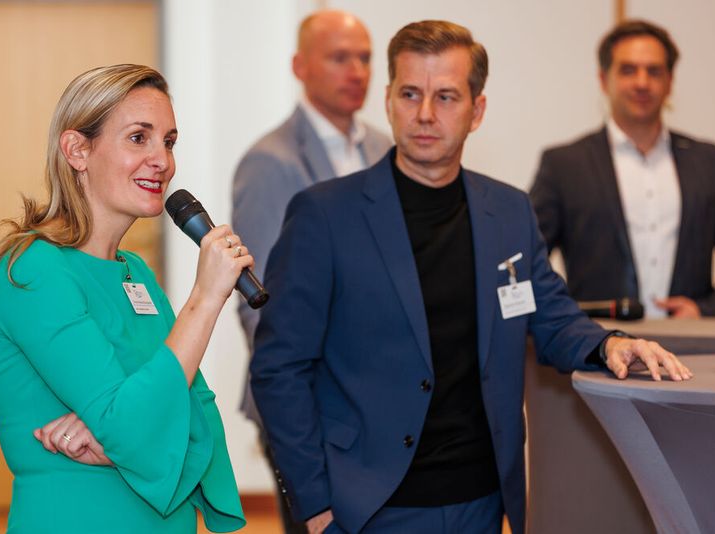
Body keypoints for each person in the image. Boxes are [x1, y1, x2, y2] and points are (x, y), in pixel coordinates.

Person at [250, 20, 692, 534]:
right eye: (410, 93)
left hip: (481, 499)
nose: (424, 114)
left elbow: (549, 315)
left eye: (446, 97)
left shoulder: (507, 211)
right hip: (366, 505)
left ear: (476, 110)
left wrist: (609, 343)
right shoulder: (324, 216)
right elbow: (278, 366)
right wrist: (313, 502)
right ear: (389, 99)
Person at [0, 64, 248, 534]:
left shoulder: (135, 274)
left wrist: (128, 438)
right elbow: (137, 426)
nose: (162, 160)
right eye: (139, 138)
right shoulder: (31, 270)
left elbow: (204, 420)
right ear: (77, 150)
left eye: (169, 141)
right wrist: (205, 299)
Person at [232, 9, 390, 533]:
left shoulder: (385, 150)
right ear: (300, 65)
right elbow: (260, 305)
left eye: (365, 58)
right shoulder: (270, 161)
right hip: (308, 406)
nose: (357, 71)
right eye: (339, 57)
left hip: (380, 401)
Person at [530, 19, 715, 318]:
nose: (642, 82)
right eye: (628, 70)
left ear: (670, 81)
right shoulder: (564, 164)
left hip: (694, 347)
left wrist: (707, 310)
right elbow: (528, 262)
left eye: (654, 71)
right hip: (596, 347)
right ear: (604, 79)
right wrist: (564, 317)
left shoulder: (709, 160)